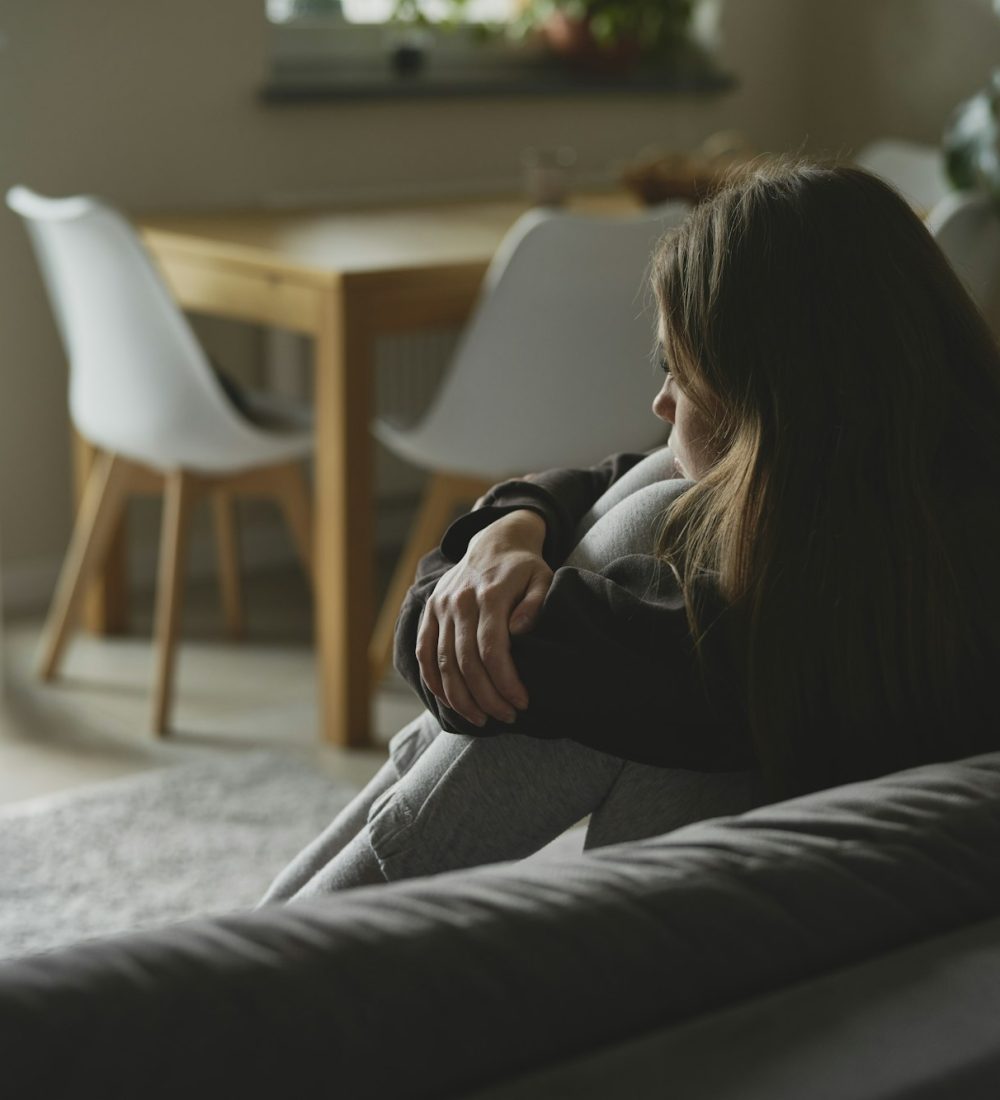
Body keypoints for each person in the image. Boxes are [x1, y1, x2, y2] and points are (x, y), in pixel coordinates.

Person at [261, 158, 1000, 903]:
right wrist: (507, 533)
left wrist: (465, 586)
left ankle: (263, 965)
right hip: (821, 845)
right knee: (651, 486)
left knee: (647, 517)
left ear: (770, 401)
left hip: (807, 924)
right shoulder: (916, 492)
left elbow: (449, 664)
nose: (660, 400)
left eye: (680, 372)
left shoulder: (738, 642)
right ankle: (254, 948)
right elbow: (602, 479)